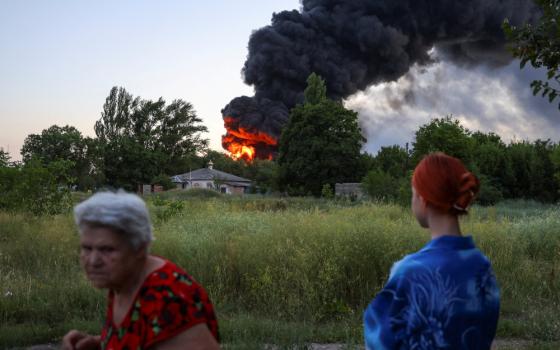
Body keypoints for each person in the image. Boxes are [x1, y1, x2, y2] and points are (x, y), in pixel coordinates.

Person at [363, 152, 500, 349]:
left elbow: (379, 340)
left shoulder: (410, 272)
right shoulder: (482, 267)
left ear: (422, 199)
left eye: (412, 193)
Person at [62, 191, 219, 350]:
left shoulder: (166, 299)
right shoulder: (123, 281)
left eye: (107, 249)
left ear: (140, 248)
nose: (93, 261)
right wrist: (101, 344)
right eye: (87, 248)